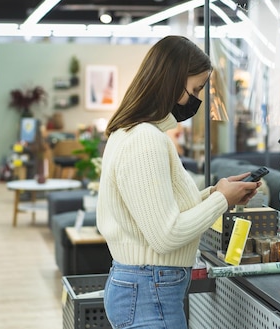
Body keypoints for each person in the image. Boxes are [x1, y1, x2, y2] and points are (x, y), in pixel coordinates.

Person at [96, 35, 260, 329]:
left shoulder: (133, 133)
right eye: (196, 88)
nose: (197, 99)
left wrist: (216, 193)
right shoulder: (145, 140)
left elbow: (158, 212)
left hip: (147, 286)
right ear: (172, 81)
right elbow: (166, 235)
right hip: (149, 290)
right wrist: (222, 200)